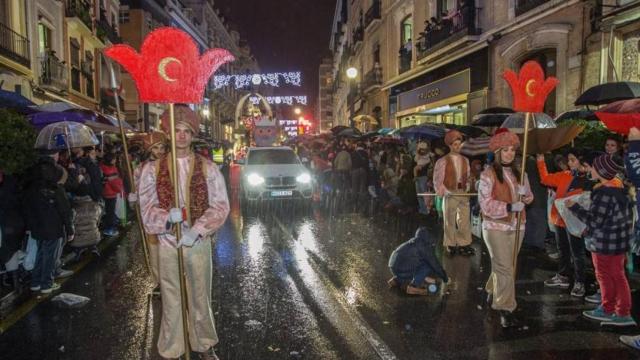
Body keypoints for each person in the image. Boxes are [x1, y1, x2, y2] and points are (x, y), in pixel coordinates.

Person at [138, 105, 229, 360]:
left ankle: (203, 343)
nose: (181, 136)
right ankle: (172, 348)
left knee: (200, 295)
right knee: (171, 296)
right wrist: (167, 219)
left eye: (186, 131)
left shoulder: (208, 167)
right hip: (167, 242)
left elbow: (221, 205)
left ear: (193, 135)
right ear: (168, 133)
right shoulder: (151, 170)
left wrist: (198, 230)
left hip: (196, 242)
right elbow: (146, 209)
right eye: (177, 131)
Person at [568, 154, 635, 327]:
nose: (590, 169)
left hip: (605, 243)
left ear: (601, 171)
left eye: (593, 167)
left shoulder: (604, 192)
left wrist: (574, 207)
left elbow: (595, 220)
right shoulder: (620, 190)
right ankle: (616, 309)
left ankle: (614, 310)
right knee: (617, 275)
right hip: (618, 242)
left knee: (606, 276)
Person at [478, 129, 533, 328]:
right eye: (505, 150)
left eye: (512, 150)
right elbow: (485, 205)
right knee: (505, 268)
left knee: (505, 266)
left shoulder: (522, 172)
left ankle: (492, 289)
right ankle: (505, 307)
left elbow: (529, 197)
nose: (510, 153)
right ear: (498, 152)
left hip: (518, 226)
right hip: (495, 227)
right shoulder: (488, 174)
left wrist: (525, 195)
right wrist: (509, 206)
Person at [537, 149, 588, 297]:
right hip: (560, 220)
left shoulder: (587, 179)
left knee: (577, 253)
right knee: (563, 250)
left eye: (573, 160)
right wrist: (541, 160)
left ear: (581, 161)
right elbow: (545, 179)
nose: (570, 163)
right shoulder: (564, 175)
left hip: (574, 222)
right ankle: (563, 275)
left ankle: (580, 282)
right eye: (569, 160)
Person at [23, 150, 74, 294]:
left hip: (37, 224)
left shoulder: (31, 182)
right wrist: (70, 230)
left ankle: (36, 282)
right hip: (53, 224)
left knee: (40, 252)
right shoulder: (55, 186)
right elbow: (64, 210)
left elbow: (26, 205)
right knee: (50, 255)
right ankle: (46, 283)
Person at [129, 131, 167, 295]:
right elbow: (137, 187)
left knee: (168, 249)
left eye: (162, 147)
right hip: (149, 214)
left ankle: (170, 280)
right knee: (153, 249)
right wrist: (133, 197)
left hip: (167, 213)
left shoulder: (170, 166)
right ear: (149, 150)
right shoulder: (140, 169)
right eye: (156, 148)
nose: (159, 151)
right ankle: (158, 281)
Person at [433, 130, 473, 256]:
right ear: (450, 146)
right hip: (450, 192)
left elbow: (468, 175)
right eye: (455, 144)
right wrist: (443, 191)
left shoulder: (465, 160)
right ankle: (450, 243)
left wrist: (468, 185)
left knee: (464, 219)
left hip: (463, 192)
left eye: (459, 144)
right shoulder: (443, 161)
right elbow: (437, 178)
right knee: (449, 219)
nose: (458, 147)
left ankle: (463, 243)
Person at [388, 227, 449, 296]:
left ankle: (396, 280)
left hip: (393, 266)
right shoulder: (423, 247)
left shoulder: (412, 241)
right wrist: (444, 277)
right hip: (402, 269)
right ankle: (413, 287)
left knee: (418, 263)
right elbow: (434, 264)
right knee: (427, 265)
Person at [100, 152, 124, 237]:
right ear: (111, 160)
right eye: (114, 159)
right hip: (110, 193)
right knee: (110, 211)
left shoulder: (102, 167)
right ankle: (109, 229)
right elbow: (114, 181)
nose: (115, 160)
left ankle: (109, 226)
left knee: (109, 211)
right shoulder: (110, 169)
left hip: (107, 192)